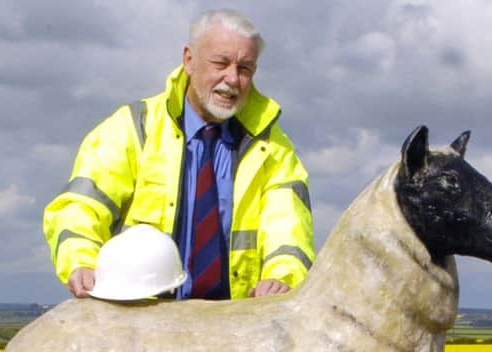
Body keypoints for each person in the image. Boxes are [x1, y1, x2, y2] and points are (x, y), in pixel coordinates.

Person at [43, 9, 314, 300]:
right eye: (220, 63)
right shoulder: (134, 126)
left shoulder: (273, 146)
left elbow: (288, 226)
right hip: (139, 317)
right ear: (189, 59)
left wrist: (281, 277)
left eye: (244, 68)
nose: (232, 78)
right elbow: (81, 206)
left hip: (234, 322)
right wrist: (81, 262)